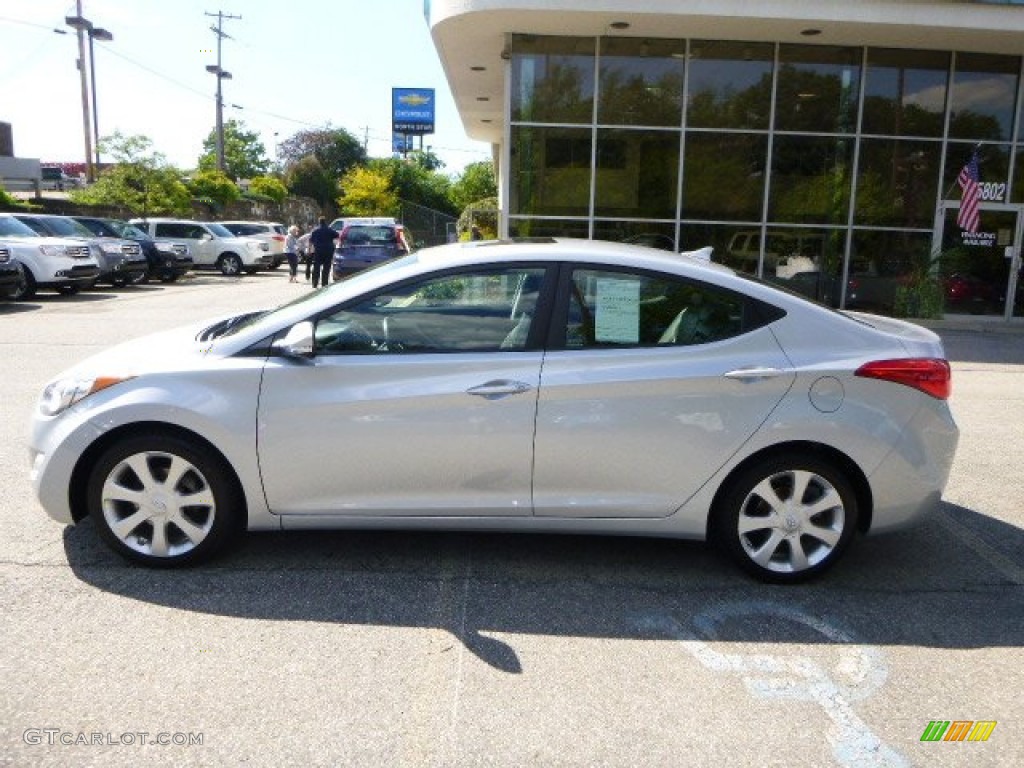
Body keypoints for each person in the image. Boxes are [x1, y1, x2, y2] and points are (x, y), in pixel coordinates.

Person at [308, 217, 338, 289]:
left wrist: (309, 250)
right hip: (328, 251)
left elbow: (310, 241)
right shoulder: (330, 230)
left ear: (319, 222)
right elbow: (337, 235)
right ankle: (324, 284)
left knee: (316, 267)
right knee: (326, 268)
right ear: (325, 222)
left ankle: (315, 283)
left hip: (318, 251)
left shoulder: (315, 231)